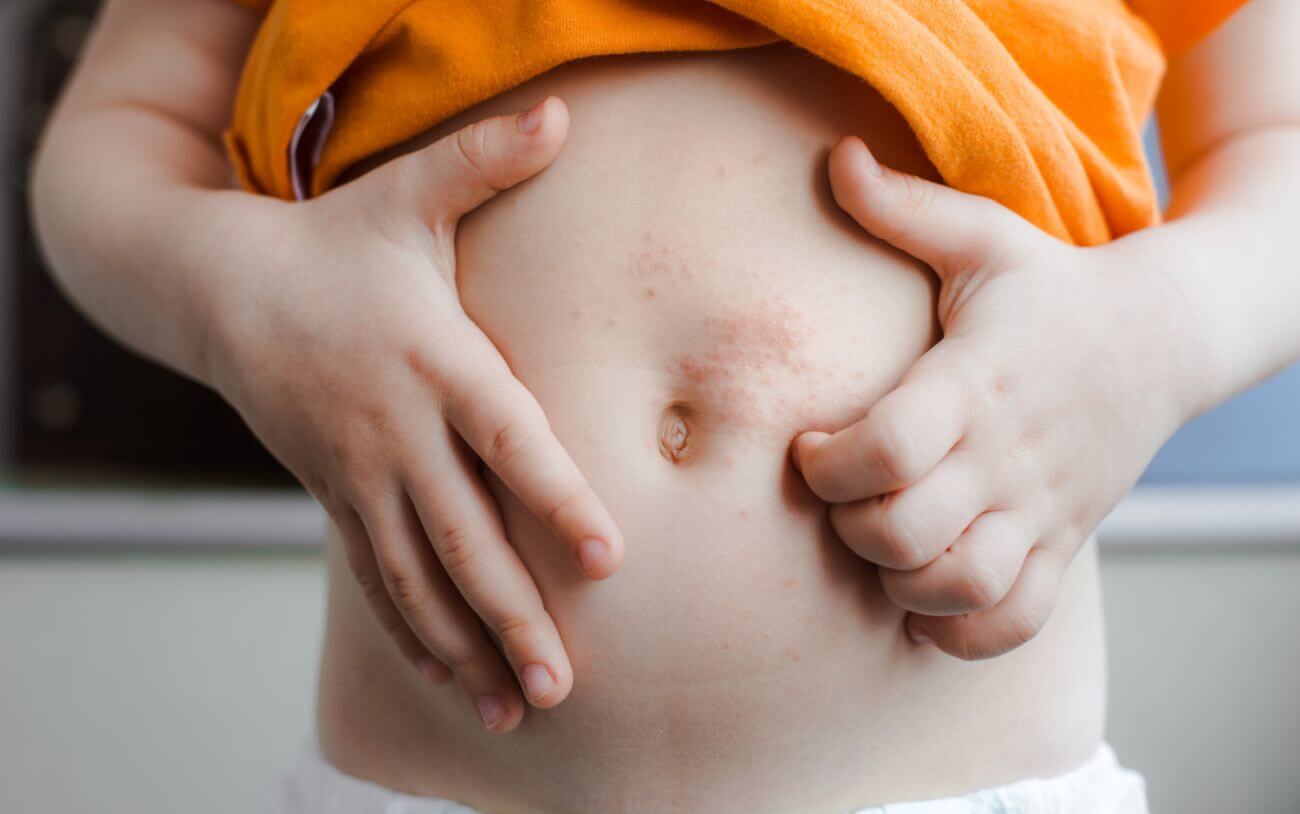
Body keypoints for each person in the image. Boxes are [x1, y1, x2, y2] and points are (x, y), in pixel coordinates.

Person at [29, 0, 1298, 812]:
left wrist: (1154, 334)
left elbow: (1279, 139)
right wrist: (240, 298)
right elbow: (121, 131)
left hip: (959, 778)